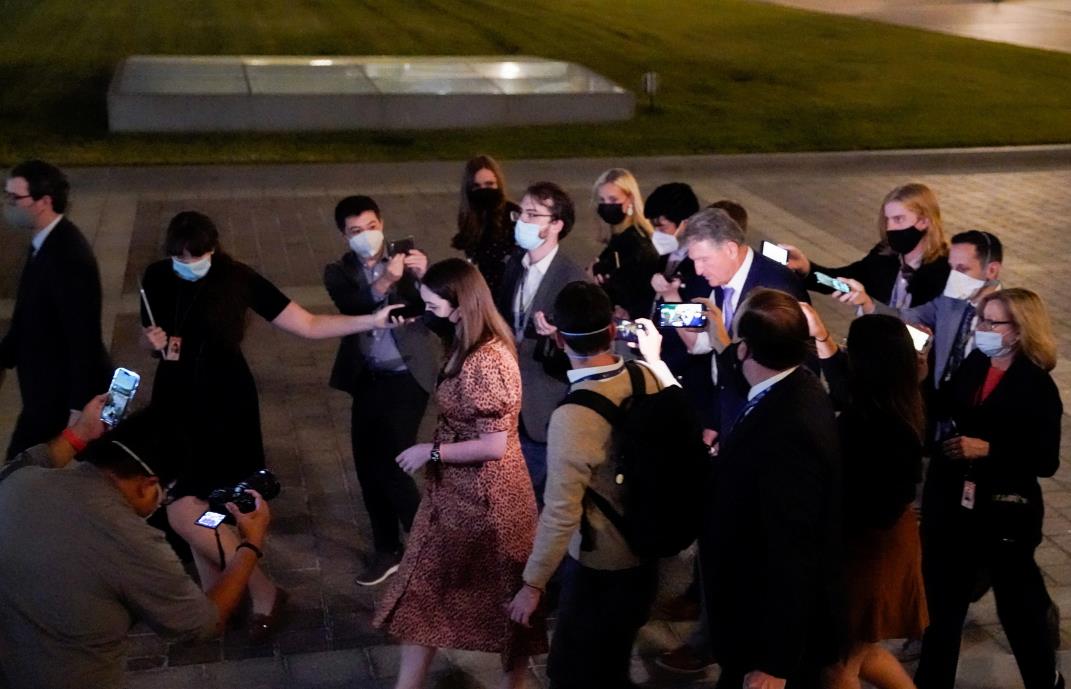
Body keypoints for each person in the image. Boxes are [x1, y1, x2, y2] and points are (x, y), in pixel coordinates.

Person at [140, 210, 402, 641]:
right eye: (181, 258)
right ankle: (223, 599)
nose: (190, 264)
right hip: (176, 400)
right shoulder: (156, 276)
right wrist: (150, 344)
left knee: (191, 509)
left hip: (226, 407)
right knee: (195, 507)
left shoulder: (236, 277)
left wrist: (372, 321)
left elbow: (308, 324)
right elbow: (151, 335)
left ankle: (259, 592)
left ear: (213, 248)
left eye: (199, 256)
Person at [0, 396, 272, 689]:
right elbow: (203, 623)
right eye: (165, 493)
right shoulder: (131, 540)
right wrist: (250, 545)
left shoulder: (18, 483)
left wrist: (80, 431)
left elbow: (29, 461)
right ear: (148, 485)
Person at [374, 258, 546, 689]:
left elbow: (494, 445)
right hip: (452, 497)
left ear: (459, 306)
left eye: (434, 304)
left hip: (488, 503)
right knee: (422, 591)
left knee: (508, 603)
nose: (428, 311)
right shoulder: (467, 340)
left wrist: (429, 452)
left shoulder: (485, 361)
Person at [507, 281, 679, 689]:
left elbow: (561, 511)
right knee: (613, 663)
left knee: (573, 673)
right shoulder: (644, 377)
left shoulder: (574, 415)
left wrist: (533, 584)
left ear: (562, 340)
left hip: (601, 564)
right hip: (646, 548)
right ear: (612, 330)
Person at [915, 289, 1063, 689]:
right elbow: (947, 407)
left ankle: (1044, 679)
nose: (982, 329)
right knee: (943, 608)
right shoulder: (978, 361)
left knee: (1019, 609)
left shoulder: (1037, 385)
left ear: (1018, 331)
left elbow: (1046, 460)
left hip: (1005, 513)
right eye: (982, 321)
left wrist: (991, 449)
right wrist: (924, 378)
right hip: (958, 506)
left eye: (992, 323)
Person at [699, 288, 843, 689]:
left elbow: (795, 550)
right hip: (754, 625)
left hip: (765, 643)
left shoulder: (790, 429)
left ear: (745, 348)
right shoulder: (798, 383)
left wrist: (775, 663)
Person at [803, 307, 929, 689]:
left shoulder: (875, 422)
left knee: (840, 667)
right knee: (865, 650)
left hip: (871, 549)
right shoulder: (895, 403)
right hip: (882, 543)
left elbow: (879, 501)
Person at [324, 195, 441, 586]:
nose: (366, 236)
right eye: (356, 231)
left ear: (382, 223)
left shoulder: (406, 261)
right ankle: (387, 548)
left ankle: (433, 548)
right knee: (366, 465)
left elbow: (439, 312)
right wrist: (386, 279)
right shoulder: (339, 272)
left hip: (408, 376)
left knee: (392, 464)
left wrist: (425, 277)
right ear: (344, 234)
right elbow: (353, 304)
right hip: (369, 377)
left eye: (371, 227)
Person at [1, 160, 111, 459]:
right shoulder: (45, 244)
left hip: (57, 400)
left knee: (21, 472)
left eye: (15, 198)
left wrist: (77, 411)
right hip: (43, 395)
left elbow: (83, 336)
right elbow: (27, 317)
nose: (8, 204)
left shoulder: (67, 256)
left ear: (43, 202)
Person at [674, 207, 810, 439]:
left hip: (765, 422)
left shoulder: (774, 289)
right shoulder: (720, 277)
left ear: (729, 249)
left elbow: (790, 368)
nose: (698, 270)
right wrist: (716, 420)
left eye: (704, 259)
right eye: (694, 261)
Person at [495, 181, 588, 502]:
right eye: (521, 213)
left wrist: (558, 338)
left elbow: (589, 354)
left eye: (533, 214)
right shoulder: (513, 267)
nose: (522, 220)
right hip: (509, 402)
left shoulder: (572, 280)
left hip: (545, 408)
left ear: (556, 224)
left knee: (534, 500)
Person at [851, 230, 1003, 391]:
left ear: (992, 271)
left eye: (962, 269)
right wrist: (867, 303)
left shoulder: (1008, 318)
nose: (952, 277)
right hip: (941, 399)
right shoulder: (948, 301)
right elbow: (906, 317)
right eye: (951, 268)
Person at [782, 183, 950, 310]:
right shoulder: (884, 256)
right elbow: (842, 283)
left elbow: (924, 334)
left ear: (924, 221)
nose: (890, 228)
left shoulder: (945, 271)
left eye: (898, 219)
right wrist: (807, 270)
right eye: (887, 220)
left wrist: (871, 307)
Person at [590, 168, 660, 319]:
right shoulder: (620, 239)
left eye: (613, 200)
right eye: (602, 200)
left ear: (630, 200)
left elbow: (641, 296)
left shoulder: (637, 245)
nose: (607, 205)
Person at [451, 154, 521, 294]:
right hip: (486, 289)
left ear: (498, 184)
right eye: (477, 186)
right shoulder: (470, 216)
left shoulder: (513, 214)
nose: (484, 191)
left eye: (489, 184)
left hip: (512, 287)